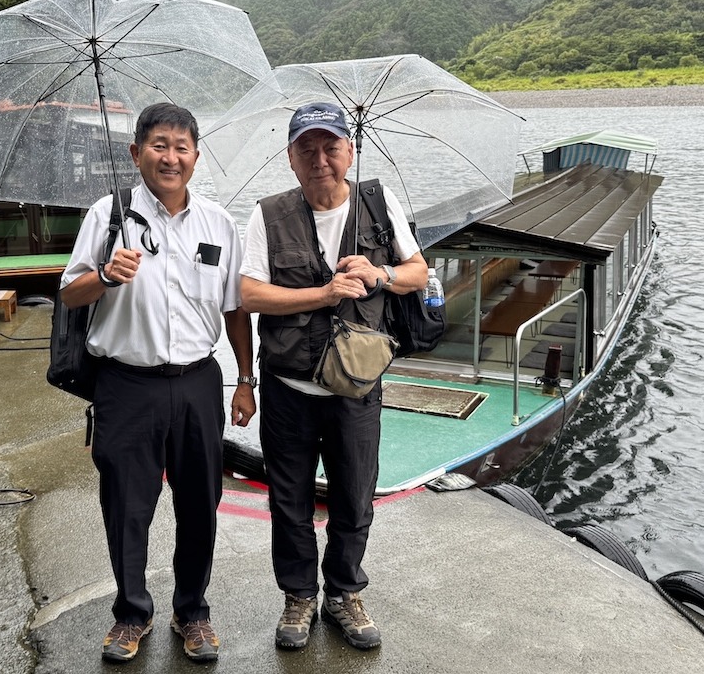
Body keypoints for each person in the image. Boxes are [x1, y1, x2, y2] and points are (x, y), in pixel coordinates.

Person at [60, 102, 256, 664]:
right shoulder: (107, 214)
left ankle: (192, 611)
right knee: (127, 504)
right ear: (136, 153)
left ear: (195, 155)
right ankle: (131, 613)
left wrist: (246, 379)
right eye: (159, 145)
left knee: (201, 501)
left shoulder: (218, 222)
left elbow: (235, 309)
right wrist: (104, 275)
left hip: (198, 382)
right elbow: (69, 292)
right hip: (125, 385)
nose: (171, 157)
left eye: (181, 147)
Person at [239, 101, 428, 651]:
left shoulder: (377, 201)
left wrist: (380, 272)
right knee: (288, 500)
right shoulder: (268, 214)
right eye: (307, 148)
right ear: (292, 158)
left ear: (350, 150)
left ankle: (343, 592)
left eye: (330, 146)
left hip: (357, 390)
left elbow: (418, 274)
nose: (320, 158)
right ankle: (299, 595)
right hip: (289, 391)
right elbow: (249, 294)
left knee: (354, 497)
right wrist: (322, 293)